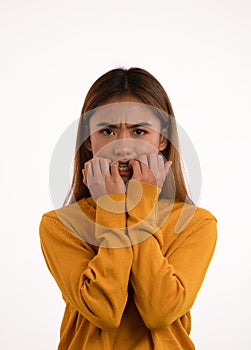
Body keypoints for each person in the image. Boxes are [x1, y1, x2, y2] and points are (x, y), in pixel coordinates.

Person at [39, 67, 217, 350]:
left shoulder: (195, 223)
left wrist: (140, 202)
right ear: (89, 140)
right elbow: (104, 311)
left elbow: (160, 311)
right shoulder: (61, 225)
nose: (123, 147)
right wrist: (112, 206)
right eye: (107, 131)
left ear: (162, 139)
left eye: (139, 131)